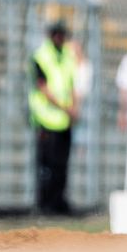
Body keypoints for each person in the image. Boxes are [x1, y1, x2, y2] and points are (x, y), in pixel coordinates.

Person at [30, 19, 79, 215]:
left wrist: (73, 108)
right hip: (46, 120)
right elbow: (43, 88)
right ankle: (45, 204)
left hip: (64, 121)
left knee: (62, 165)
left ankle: (60, 201)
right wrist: (67, 108)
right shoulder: (41, 56)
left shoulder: (68, 55)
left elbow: (72, 83)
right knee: (47, 166)